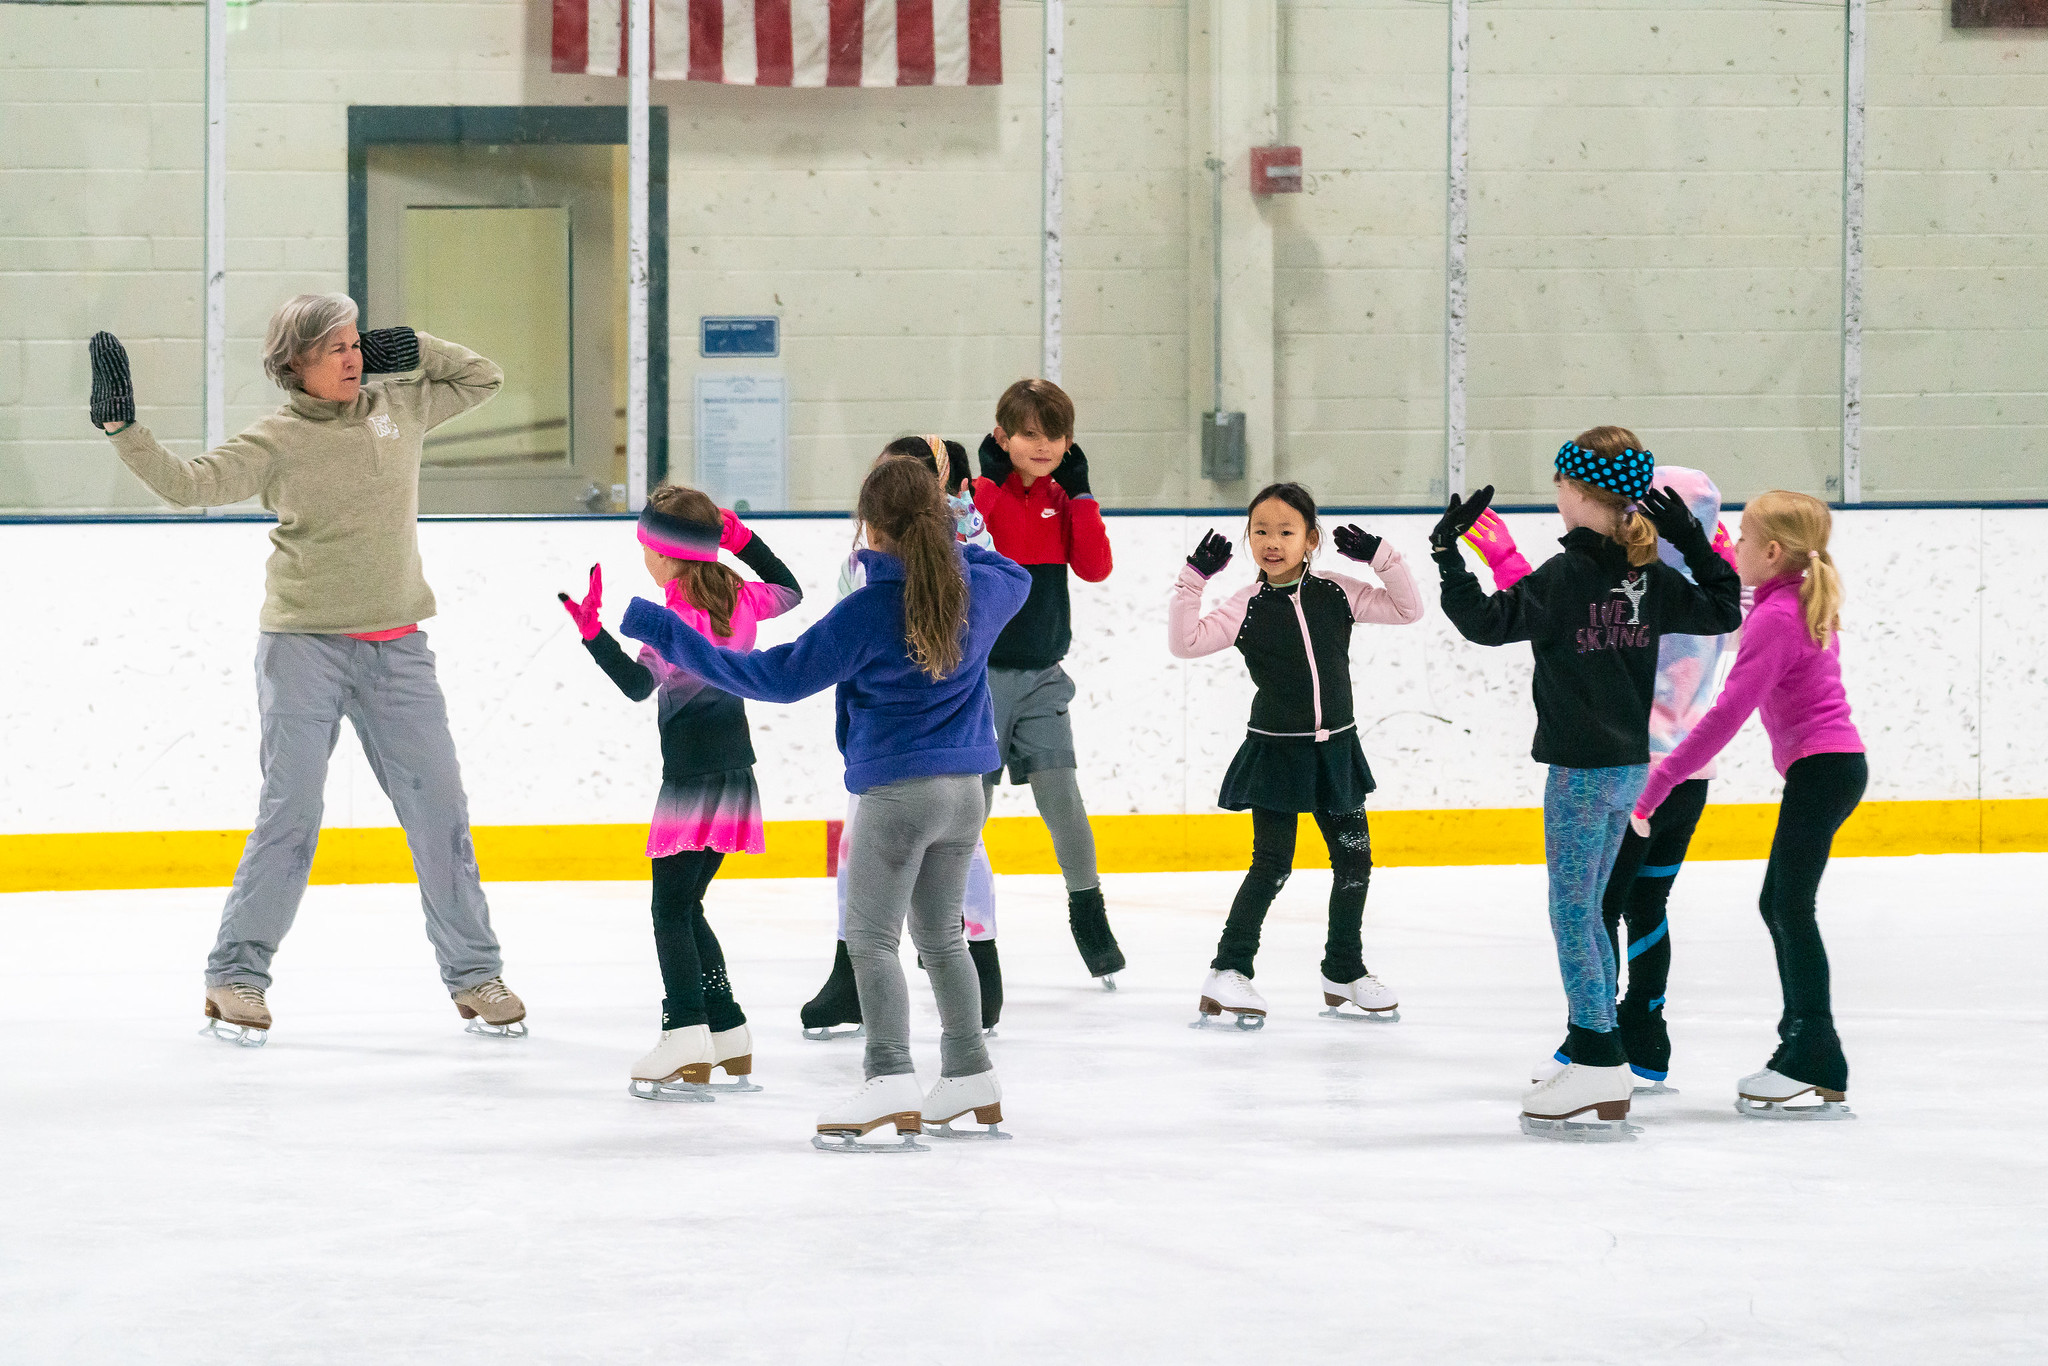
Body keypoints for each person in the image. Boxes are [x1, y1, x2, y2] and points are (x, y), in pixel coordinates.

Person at [86, 295, 525, 1044]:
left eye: (359, 345)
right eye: (336, 349)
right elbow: (189, 485)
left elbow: (484, 379)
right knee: (292, 814)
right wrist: (124, 431)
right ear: (294, 364)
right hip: (303, 650)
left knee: (439, 813)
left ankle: (474, 973)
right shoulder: (277, 439)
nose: (354, 359)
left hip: (399, 650)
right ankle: (236, 978)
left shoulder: (399, 405)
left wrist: (413, 343)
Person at [620, 457, 1029, 1150]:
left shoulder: (869, 610)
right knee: (942, 938)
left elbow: (771, 678)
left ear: (869, 528)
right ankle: (969, 1072)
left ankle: (890, 1076)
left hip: (897, 795)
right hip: (965, 792)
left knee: (871, 941)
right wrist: (961, 535)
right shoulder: (976, 589)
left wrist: (666, 631)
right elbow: (1012, 575)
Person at [1432, 428, 1741, 1139]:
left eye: (1558, 484)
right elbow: (1723, 608)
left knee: (1575, 913)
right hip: (1631, 770)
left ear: (1575, 494)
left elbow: (1483, 622)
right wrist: (1690, 543)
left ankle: (1598, 1053)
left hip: (1578, 774)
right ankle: (1595, 1048)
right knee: (1595, 905)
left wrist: (1448, 554)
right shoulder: (1648, 578)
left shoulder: (1565, 579)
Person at [557, 487, 801, 1099]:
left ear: (666, 555)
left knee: (669, 908)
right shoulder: (743, 597)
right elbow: (791, 589)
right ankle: (727, 1029)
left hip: (691, 777)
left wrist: (594, 637)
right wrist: (739, 538)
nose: (643, 557)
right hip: (735, 774)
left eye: (647, 547)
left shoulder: (672, 617)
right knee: (686, 904)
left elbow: (640, 687)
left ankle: (685, 1027)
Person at [1631, 490, 1865, 1119]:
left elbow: (1723, 718)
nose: (1731, 548)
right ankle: (1808, 1049)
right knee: (1783, 902)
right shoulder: (1790, 599)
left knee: (1787, 903)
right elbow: (1727, 592)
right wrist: (1693, 539)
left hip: (1824, 769)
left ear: (1770, 552)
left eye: (1741, 540)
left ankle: (1814, 1055)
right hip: (1832, 768)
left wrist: (1658, 786)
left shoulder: (1777, 617)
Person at [1167, 483, 1424, 1028]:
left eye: (1286, 531)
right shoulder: (1246, 606)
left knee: (1354, 861)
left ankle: (1344, 970)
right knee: (1272, 866)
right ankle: (1228, 969)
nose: (1272, 542)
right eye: (1260, 530)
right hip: (1278, 754)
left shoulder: (1338, 591)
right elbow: (1185, 642)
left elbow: (1408, 609)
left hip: (1336, 751)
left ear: (1311, 539)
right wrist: (1194, 580)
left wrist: (1382, 557)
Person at [802, 437, 1005, 1039]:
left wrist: (962, 522)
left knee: (952, 861)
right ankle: (854, 980)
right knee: (876, 860)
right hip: (904, 744)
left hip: (917, 741)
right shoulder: (865, 574)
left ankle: (979, 971)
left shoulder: (958, 567)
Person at [971, 379, 1124, 984]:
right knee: (967, 814)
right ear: (1002, 436)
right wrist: (985, 485)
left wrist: (1082, 495)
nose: (1044, 446)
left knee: (1064, 801)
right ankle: (955, 922)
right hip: (977, 681)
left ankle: (1089, 913)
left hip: (1042, 679)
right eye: (1029, 434)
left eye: (1055, 435)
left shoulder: (1063, 500)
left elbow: (1094, 567)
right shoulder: (978, 495)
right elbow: (973, 546)